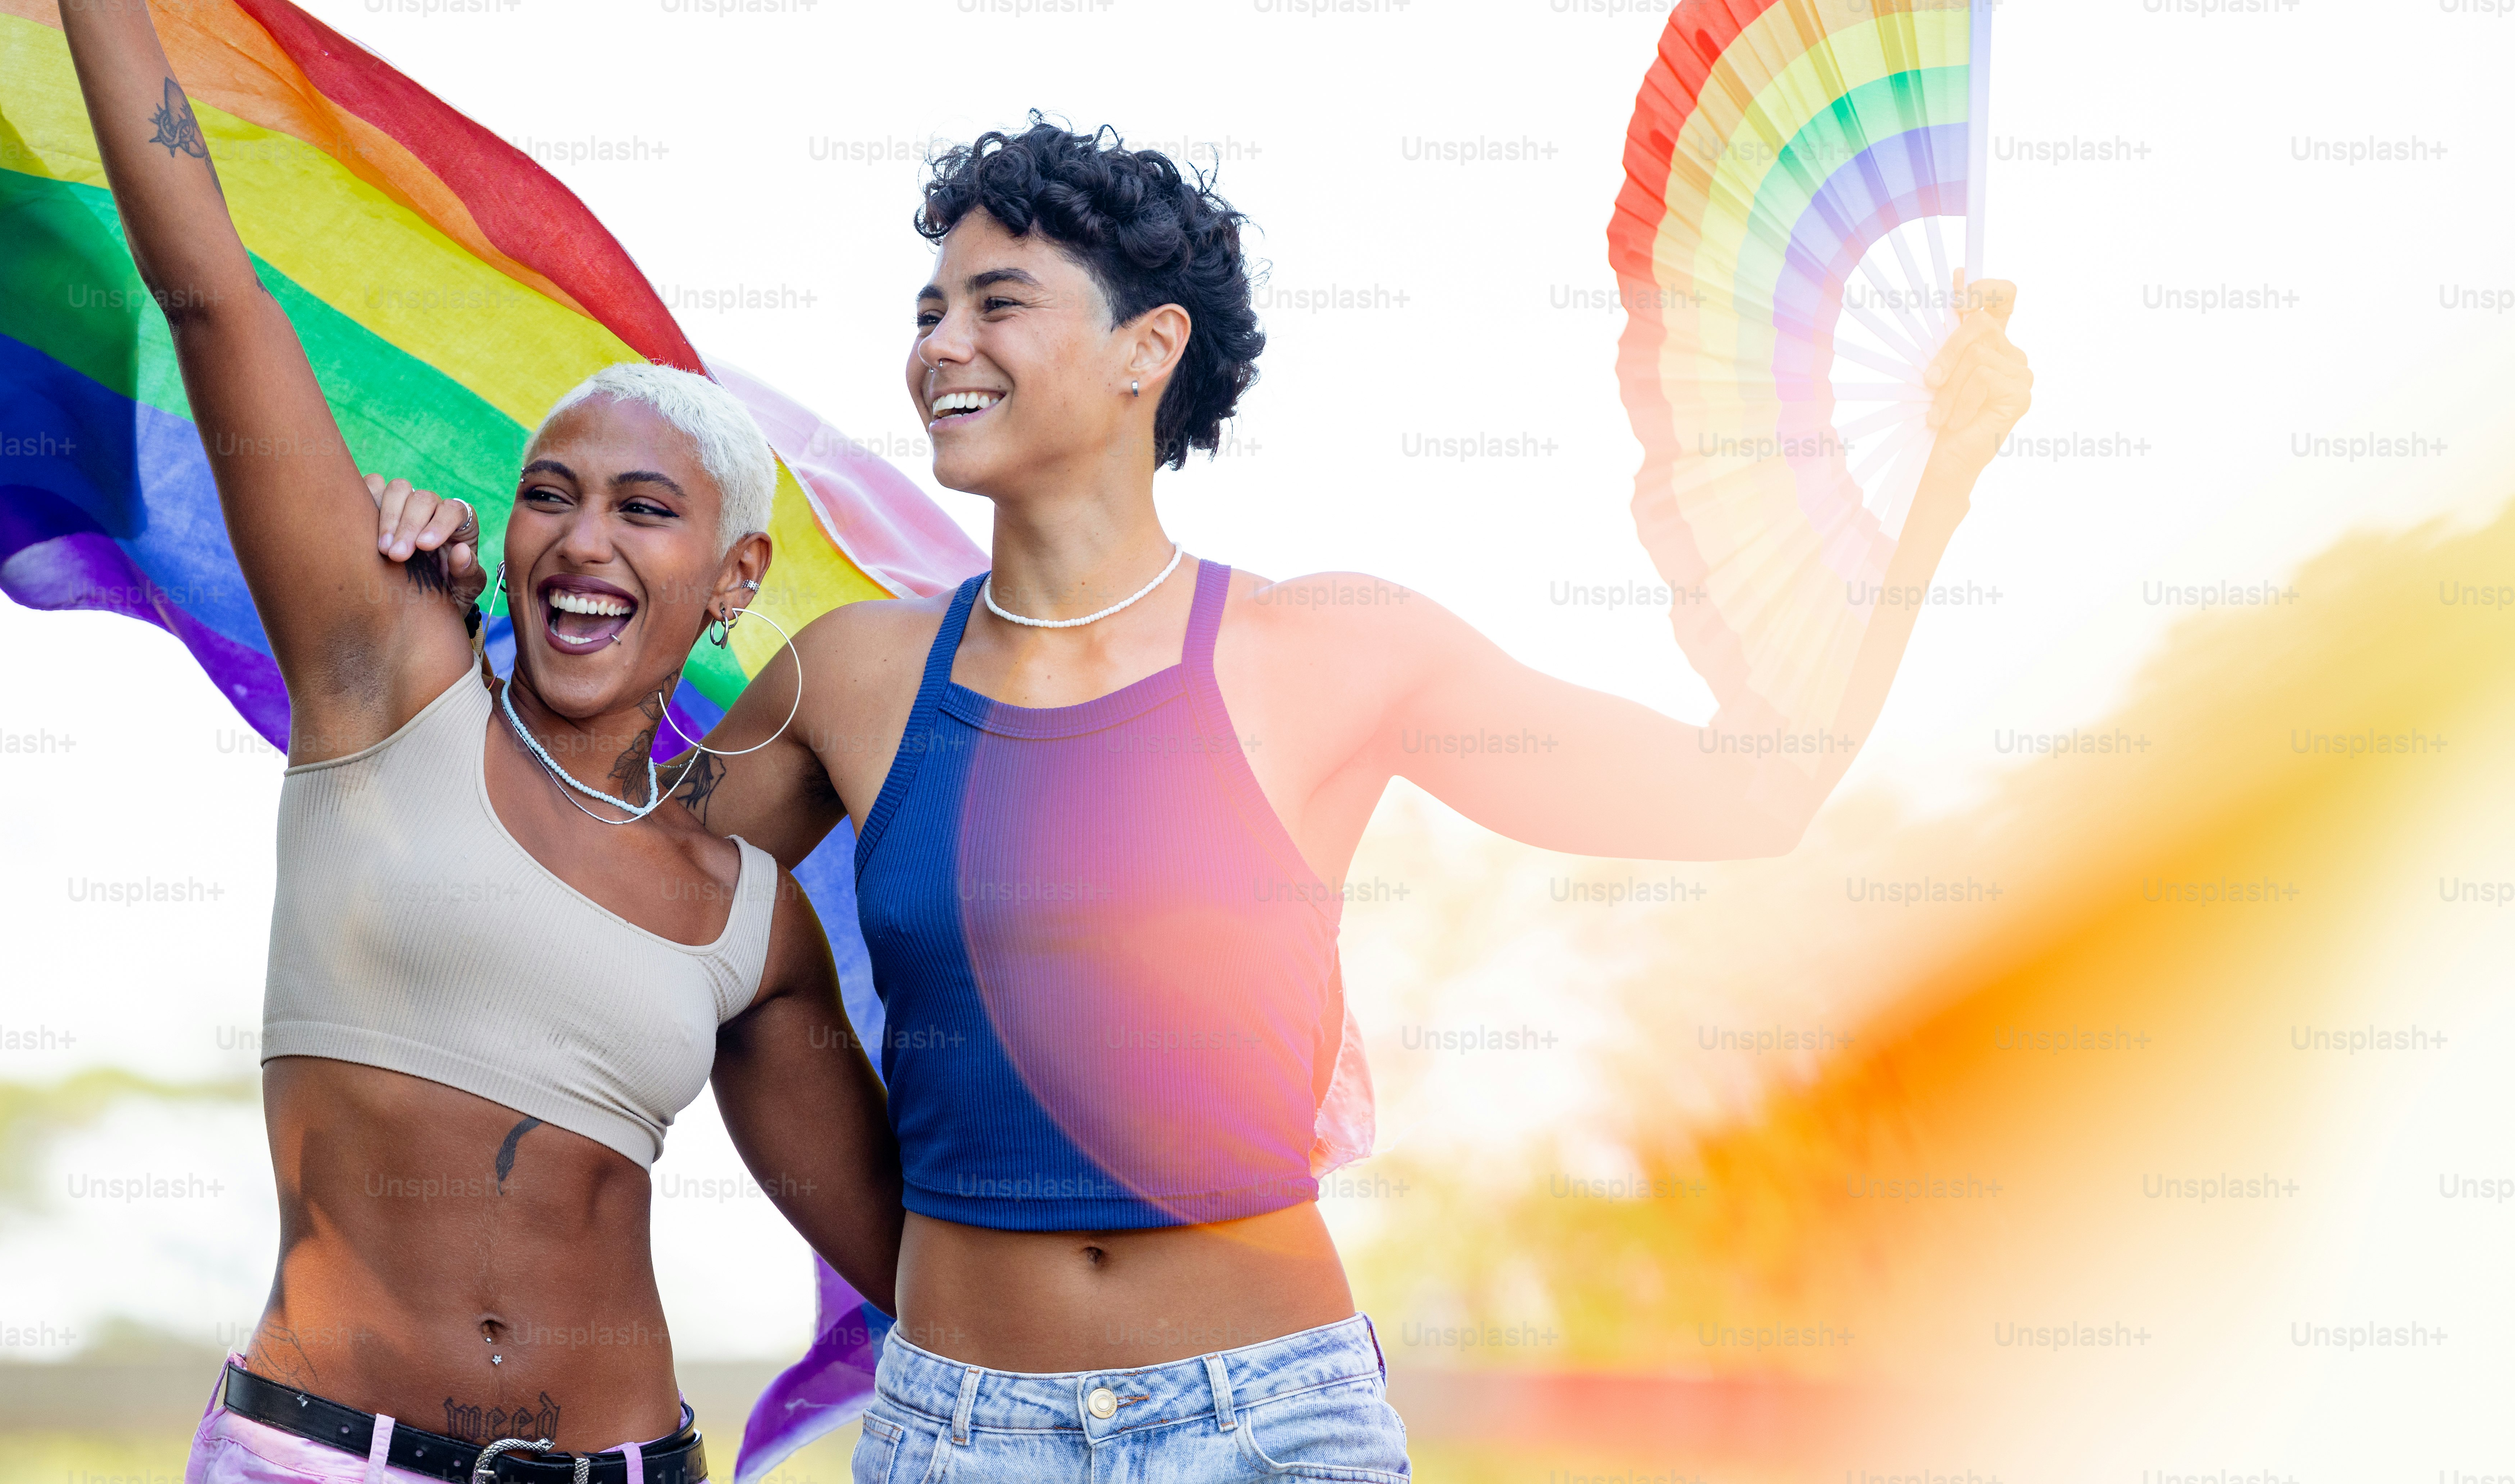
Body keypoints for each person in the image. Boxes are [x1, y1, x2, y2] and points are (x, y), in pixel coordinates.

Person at [382, 119, 2033, 1479]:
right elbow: (590, 916)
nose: (936, 345)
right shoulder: (851, 678)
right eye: (928, 305)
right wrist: (440, 635)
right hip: (959, 1429)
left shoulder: (1339, 649)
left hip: (1270, 1423)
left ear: (1144, 349)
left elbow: (1739, 799)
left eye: (995, 303)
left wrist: (1930, 497)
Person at [0, 0, 899, 1484]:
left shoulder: (750, 920)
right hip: (321, 1456)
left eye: (645, 508)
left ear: (735, 578)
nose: (580, 541)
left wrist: (1198, 1323)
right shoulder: (382, 674)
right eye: (548, 494)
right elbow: (211, 291)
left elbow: (912, 1269)